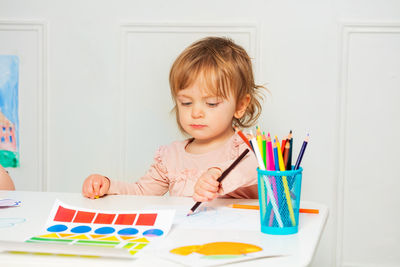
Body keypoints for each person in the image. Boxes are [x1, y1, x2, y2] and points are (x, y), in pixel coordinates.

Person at [82, 36, 265, 202]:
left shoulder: (247, 148)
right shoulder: (170, 158)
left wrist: (216, 174)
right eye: (186, 103)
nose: (196, 113)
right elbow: (140, 193)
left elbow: (254, 170)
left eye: (211, 103)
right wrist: (107, 185)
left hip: (237, 237)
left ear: (240, 106)